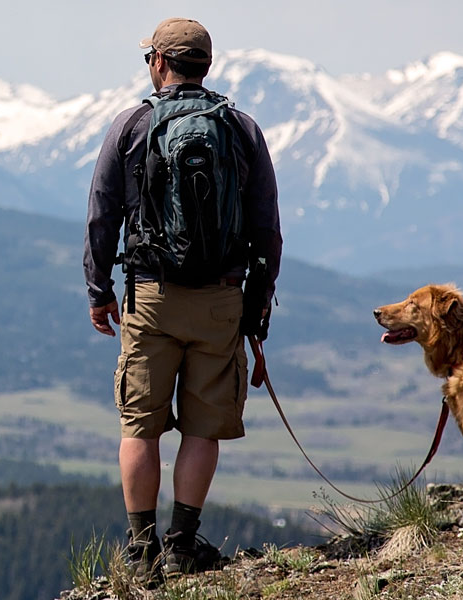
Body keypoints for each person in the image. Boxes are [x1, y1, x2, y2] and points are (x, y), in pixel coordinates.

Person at [83, 17, 282, 581]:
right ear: (207, 66)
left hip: (151, 298)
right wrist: (256, 307)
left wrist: (99, 291)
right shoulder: (240, 129)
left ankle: (141, 552)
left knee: (139, 426)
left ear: (159, 62)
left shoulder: (132, 126)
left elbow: (102, 216)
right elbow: (266, 229)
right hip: (221, 300)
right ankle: (182, 543)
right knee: (202, 427)